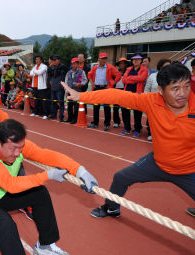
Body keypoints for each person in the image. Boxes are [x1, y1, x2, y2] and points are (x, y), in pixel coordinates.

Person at [61, 62, 195, 219]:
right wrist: (81, 96)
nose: (183, 93)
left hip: (189, 170)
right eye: (175, 88)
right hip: (157, 163)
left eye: (186, 86)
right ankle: (112, 208)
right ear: (160, 91)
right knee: (121, 178)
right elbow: (116, 95)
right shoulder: (152, 101)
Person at [0, 119, 98, 255]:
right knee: (5, 225)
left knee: (39, 193)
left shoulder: (18, 145)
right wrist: (47, 176)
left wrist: (80, 170)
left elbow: (46, 155)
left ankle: (45, 246)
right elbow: (10, 184)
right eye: (13, 149)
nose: (18, 153)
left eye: (20, 148)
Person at [87, 53, 121, 131]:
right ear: (99, 59)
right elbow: (89, 74)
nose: (103, 60)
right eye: (102, 58)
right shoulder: (95, 67)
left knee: (107, 107)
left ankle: (107, 124)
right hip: (97, 88)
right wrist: (91, 82)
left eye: (105, 58)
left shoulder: (110, 67)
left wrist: (112, 83)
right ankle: (95, 123)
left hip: (106, 89)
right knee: (96, 106)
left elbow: (118, 75)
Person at [120, 53, 148, 138]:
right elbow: (124, 80)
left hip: (137, 94)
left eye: (138, 59)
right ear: (132, 61)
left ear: (141, 61)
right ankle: (127, 128)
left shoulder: (144, 70)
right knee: (125, 111)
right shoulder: (128, 69)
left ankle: (137, 129)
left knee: (137, 112)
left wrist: (130, 78)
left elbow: (142, 79)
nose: (136, 61)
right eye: (134, 60)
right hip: (127, 93)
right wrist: (134, 79)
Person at [144, 58, 172, 141]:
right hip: (154, 100)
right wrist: (146, 99)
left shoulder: (172, 77)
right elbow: (147, 89)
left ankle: (164, 134)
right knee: (152, 118)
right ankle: (150, 133)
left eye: (169, 66)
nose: (168, 68)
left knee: (165, 119)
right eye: (166, 66)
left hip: (167, 101)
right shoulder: (152, 76)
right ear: (160, 67)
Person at [65, 58, 88, 124]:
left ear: (78, 64)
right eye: (73, 64)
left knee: (76, 106)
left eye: (76, 63)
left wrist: (81, 84)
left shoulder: (81, 72)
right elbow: (66, 82)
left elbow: (85, 80)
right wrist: (66, 91)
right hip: (70, 92)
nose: (75, 65)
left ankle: (75, 119)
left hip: (77, 92)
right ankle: (69, 118)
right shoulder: (68, 72)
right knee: (69, 106)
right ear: (71, 64)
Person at [49, 55, 69, 122]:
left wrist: (64, 84)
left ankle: (61, 116)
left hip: (60, 88)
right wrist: (50, 81)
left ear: (59, 60)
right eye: (53, 60)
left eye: (56, 60)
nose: (54, 61)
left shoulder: (63, 67)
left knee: (61, 103)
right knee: (53, 102)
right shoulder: (52, 67)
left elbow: (68, 75)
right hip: (53, 87)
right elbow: (50, 76)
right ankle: (53, 115)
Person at [29, 55, 49, 119]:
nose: (36, 60)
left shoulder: (44, 66)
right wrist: (35, 71)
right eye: (36, 59)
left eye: (38, 59)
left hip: (42, 86)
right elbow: (31, 73)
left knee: (43, 100)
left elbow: (39, 72)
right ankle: (36, 112)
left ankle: (45, 114)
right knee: (36, 100)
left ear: (41, 60)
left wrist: (34, 71)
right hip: (35, 85)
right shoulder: (35, 66)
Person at [113, 57, 129, 128]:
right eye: (120, 63)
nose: (122, 65)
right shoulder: (116, 72)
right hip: (116, 91)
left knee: (124, 109)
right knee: (115, 108)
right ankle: (116, 121)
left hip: (124, 91)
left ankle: (126, 123)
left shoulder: (128, 72)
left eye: (123, 63)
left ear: (126, 64)